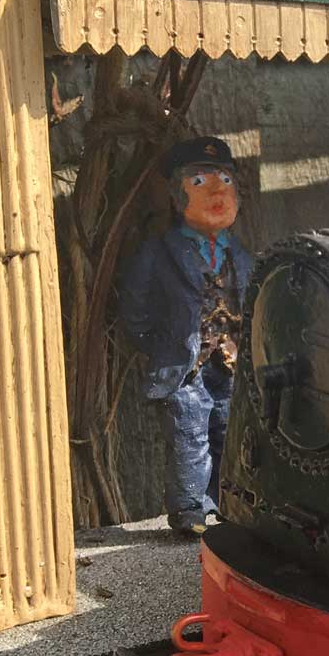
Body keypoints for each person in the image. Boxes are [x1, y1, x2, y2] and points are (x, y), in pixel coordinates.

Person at [119, 137, 255, 536]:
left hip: (231, 365)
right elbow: (135, 312)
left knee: (229, 431)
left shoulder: (241, 255)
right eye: (199, 181)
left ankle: (228, 503)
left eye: (225, 180)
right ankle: (190, 510)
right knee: (189, 433)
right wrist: (164, 348)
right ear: (177, 196)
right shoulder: (157, 253)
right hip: (184, 368)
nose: (217, 191)